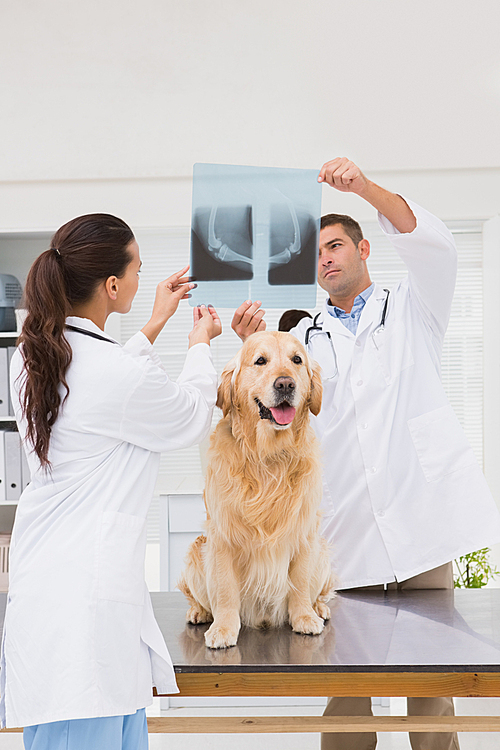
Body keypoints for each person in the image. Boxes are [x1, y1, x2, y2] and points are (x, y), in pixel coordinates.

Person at [232, 157, 500, 750]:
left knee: (431, 686)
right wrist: (242, 342)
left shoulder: (414, 308)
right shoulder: (302, 341)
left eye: (335, 246)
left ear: (363, 250)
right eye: (317, 254)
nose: (326, 258)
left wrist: (365, 188)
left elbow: (432, 244)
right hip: (342, 532)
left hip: (420, 525)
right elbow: (273, 408)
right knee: (345, 685)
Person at [0, 214, 221, 749]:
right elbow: (188, 414)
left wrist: (153, 324)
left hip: (61, 590)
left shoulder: (33, 358)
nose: (145, 277)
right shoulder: (110, 373)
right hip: (85, 612)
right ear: (112, 285)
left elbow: (107, 386)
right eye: (139, 269)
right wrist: (201, 345)